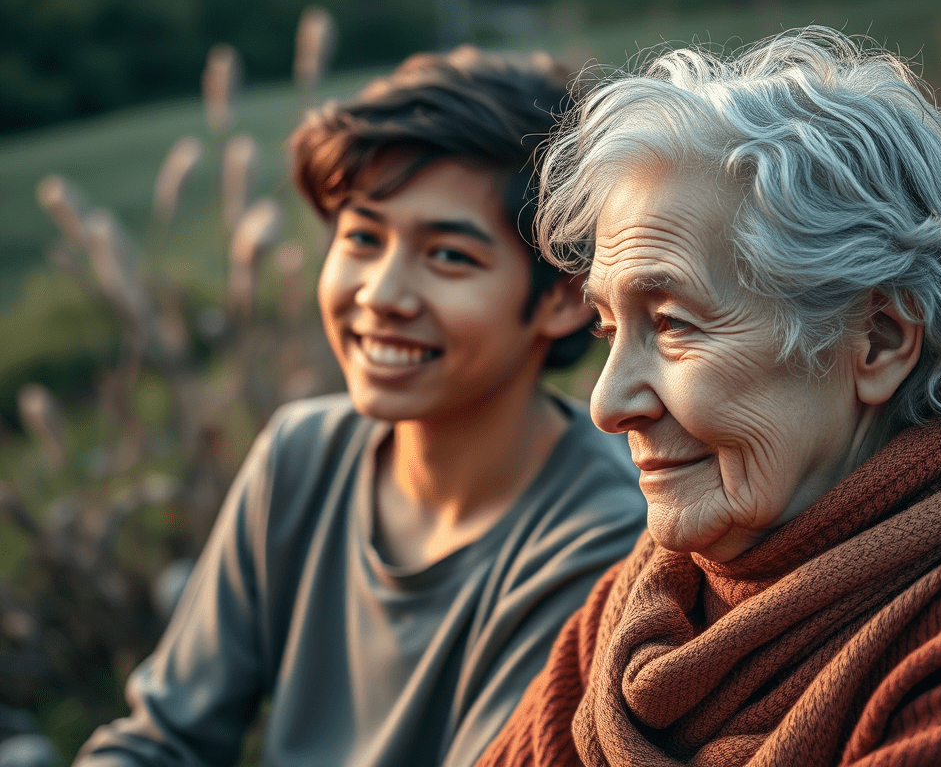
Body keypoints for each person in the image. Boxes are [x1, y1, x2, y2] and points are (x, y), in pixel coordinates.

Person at [74, 47, 648, 767]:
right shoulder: (300, 458)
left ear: (564, 297)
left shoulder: (601, 540)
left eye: (447, 256)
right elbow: (164, 739)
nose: (381, 294)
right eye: (362, 238)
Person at [476, 26, 941, 767]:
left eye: (672, 324)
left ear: (881, 341)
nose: (608, 405)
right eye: (609, 330)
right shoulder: (641, 603)